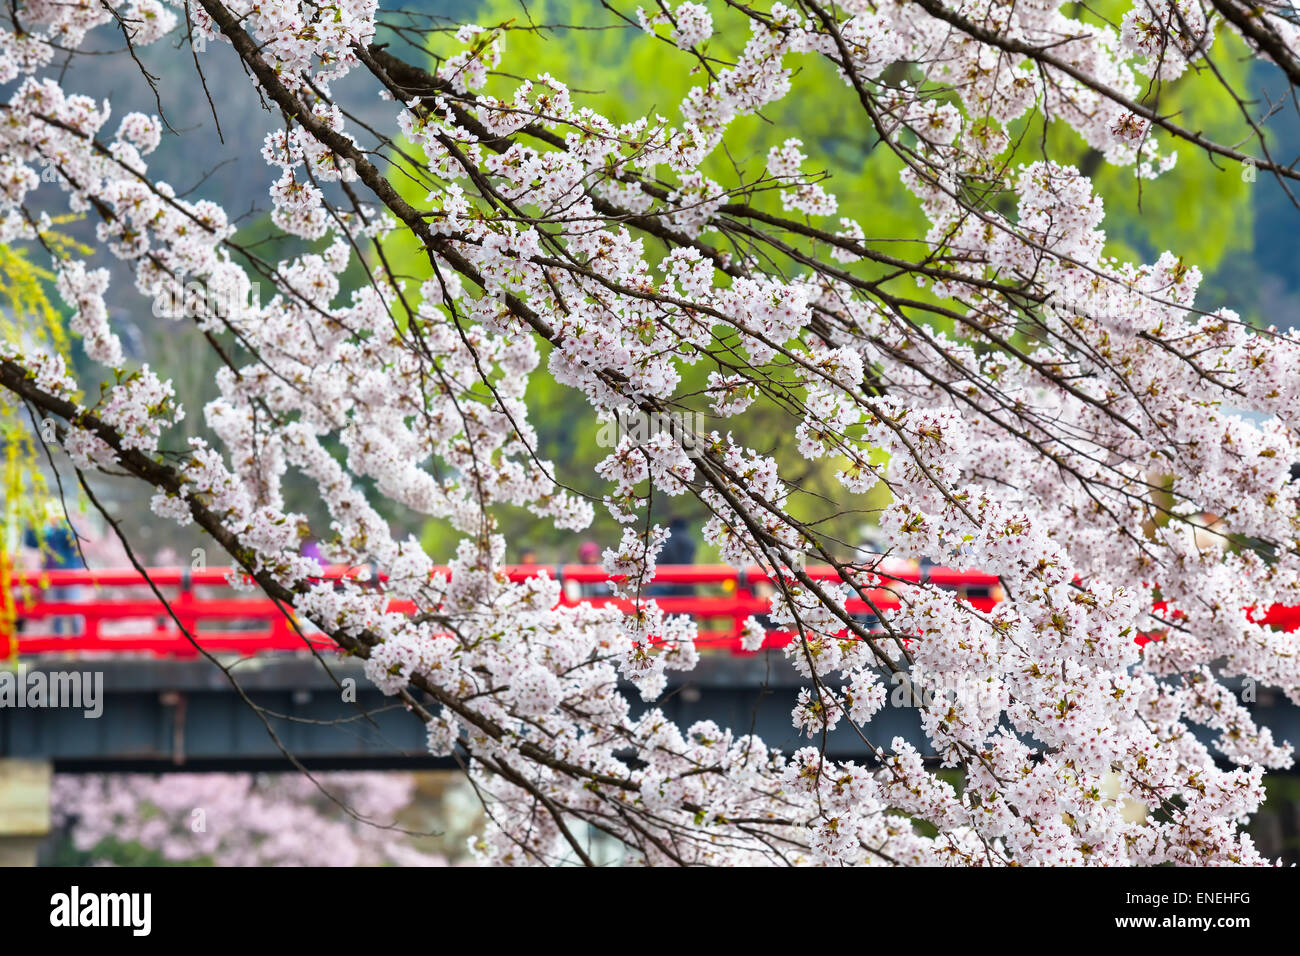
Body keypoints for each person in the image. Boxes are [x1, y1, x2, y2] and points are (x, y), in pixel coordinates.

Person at [650, 516, 697, 597]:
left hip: (665, 584)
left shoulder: (664, 540)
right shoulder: (690, 541)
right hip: (686, 584)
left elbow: (657, 561)